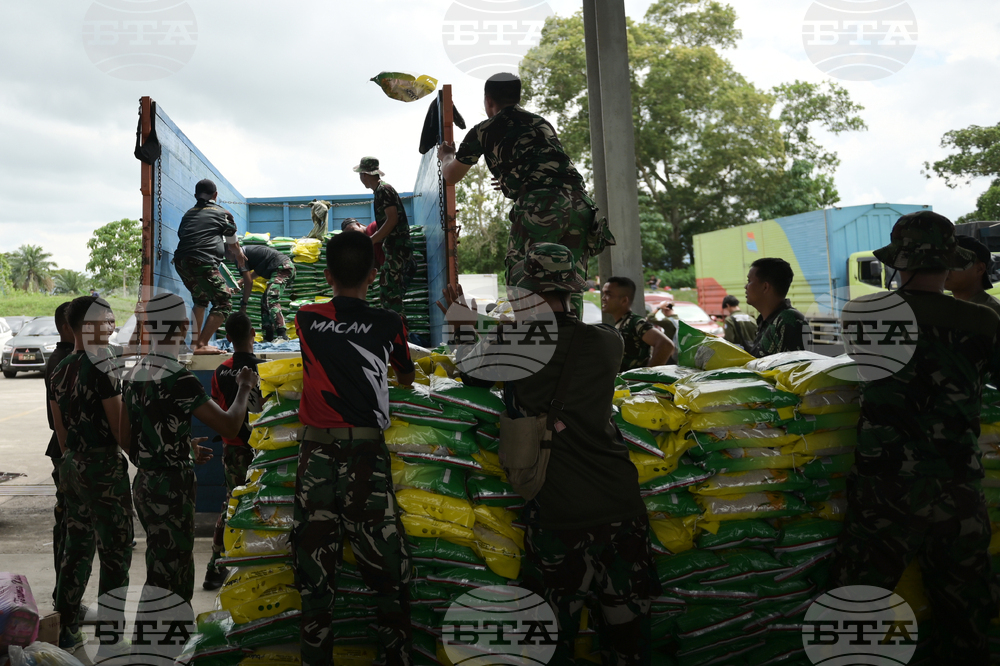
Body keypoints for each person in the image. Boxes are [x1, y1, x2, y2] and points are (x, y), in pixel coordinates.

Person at [440, 243, 659, 664]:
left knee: (549, 642)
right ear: (572, 291)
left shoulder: (514, 345)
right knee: (628, 639)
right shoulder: (608, 342)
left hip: (558, 514)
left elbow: (467, 373)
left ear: (523, 292)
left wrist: (462, 322)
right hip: (620, 504)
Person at [828, 211, 1000, 661]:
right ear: (951, 263)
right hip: (957, 483)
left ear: (897, 262)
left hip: (886, 486)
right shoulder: (983, 322)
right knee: (966, 609)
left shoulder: (863, 311)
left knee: (857, 602)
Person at [293, 231, 415, 666]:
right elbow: (406, 376)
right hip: (365, 455)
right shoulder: (388, 321)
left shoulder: (305, 317)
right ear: (374, 274)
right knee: (384, 567)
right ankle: (395, 655)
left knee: (314, 569)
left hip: (315, 457)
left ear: (327, 275)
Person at [438, 72, 613, 318]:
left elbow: (452, 175)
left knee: (526, 279)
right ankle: (573, 341)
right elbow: (545, 166)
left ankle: (533, 348)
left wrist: (446, 155)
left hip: (541, 208)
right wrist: (514, 185)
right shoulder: (541, 123)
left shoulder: (484, 130)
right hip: (580, 207)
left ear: (488, 101)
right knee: (568, 281)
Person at [121, 291, 258, 604]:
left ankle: (155, 645)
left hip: (145, 483)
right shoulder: (179, 377)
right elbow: (229, 425)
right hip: (171, 489)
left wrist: (179, 445)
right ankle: (163, 647)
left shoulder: (134, 373)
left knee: (159, 570)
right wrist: (244, 388)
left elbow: (127, 436)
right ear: (183, 326)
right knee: (174, 580)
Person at [49, 296, 132, 653]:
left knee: (76, 550)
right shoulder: (104, 363)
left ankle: (67, 627)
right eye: (108, 321)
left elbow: (61, 431)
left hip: (72, 467)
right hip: (103, 469)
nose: (112, 327)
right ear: (91, 324)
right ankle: (111, 640)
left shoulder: (60, 368)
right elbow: (120, 428)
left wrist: (74, 463)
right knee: (115, 553)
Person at [204, 312, 263, 590]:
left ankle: (215, 567)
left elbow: (218, 408)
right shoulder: (264, 370)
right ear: (253, 333)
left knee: (231, 504)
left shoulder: (219, 371)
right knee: (265, 506)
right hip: (263, 450)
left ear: (227, 337)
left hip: (233, 450)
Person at [44, 302, 96, 618]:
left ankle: (66, 600)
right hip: (68, 452)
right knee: (69, 531)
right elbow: (58, 421)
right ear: (68, 327)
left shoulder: (66, 359)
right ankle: (66, 605)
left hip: (67, 452)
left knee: (69, 529)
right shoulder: (64, 362)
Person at [173, 178, 247, 354]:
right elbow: (233, 244)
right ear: (215, 195)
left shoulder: (188, 214)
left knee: (201, 299)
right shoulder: (223, 214)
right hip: (203, 261)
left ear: (196, 195)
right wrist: (240, 257)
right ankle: (201, 344)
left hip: (182, 262)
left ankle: (195, 344)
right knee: (224, 300)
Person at [354, 158, 415, 317]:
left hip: (398, 249)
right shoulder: (380, 191)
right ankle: (398, 334)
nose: (361, 179)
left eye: (361, 175)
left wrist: (371, 240)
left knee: (390, 294)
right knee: (389, 294)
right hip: (394, 249)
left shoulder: (383, 190)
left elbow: (392, 219)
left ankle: (399, 335)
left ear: (365, 175)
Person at [601, 276, 674, 372]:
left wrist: (648, 376)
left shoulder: (635, 322)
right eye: (603, 293)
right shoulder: (622, 323)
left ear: (624, 300)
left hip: (633, 385)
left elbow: (666, 345)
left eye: (608, 294)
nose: (603, 298)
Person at [744, 257, 807, 357]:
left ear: (765, 287)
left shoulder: (788, 320)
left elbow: (791, 369)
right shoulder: (768, 322)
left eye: (749, 281)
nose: (745, 286)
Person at [239, 244, 296, 342]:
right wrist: (241, 281)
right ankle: (268, 336)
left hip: (283, 267)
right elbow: (256, 273)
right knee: (264, 301)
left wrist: (244, 304)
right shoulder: (250, 254)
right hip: (280, 268)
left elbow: (249, 282)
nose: (230, 260)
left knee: (271, 298)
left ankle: (282, 335)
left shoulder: (241, 256)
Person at [946, 235, 1000, 317]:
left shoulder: (991, 313)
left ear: (980, 269)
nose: (945, 269)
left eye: (955, 262)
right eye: (943, 261)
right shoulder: (952, 308)